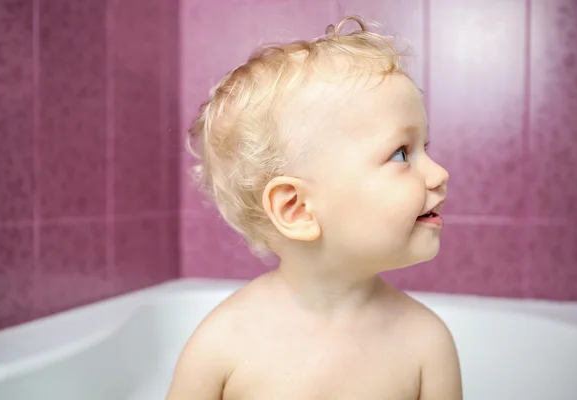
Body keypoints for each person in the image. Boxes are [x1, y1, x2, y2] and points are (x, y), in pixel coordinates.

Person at [166, 15, 462, 400]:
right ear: (297, 208)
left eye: (426, 148)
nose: (440, 173)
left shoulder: (427, 345)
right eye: (402, 153)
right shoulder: (223, 344)